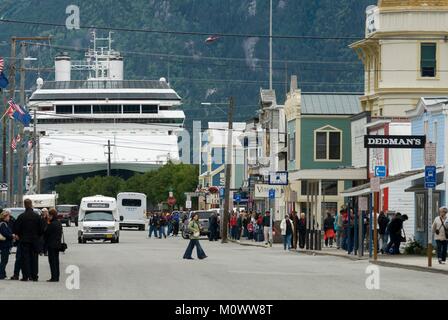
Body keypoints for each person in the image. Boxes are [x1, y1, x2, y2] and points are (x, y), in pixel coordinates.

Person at [13, 199, 46, 281]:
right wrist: (37, 236)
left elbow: (16, 229)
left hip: (24, 240)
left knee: (25, 258)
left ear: (24, 205)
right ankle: (34, 276)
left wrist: (20, 235)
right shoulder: (37, 217)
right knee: (34, 258)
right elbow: (42, 230)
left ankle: (25, 276)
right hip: (35, 240)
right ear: (31, 205)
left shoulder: (21, 217)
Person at [44, 208, 62, 282]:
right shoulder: (58, 223)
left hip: (51, 244)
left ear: (51, 215)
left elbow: (46, 233)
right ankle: (57, 276)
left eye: (49, 215)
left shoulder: (51, 224)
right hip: (57, 244)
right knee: (56, 260)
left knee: (52, 261)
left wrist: (47, 223)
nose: (48, 216)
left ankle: (53, 277)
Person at [0, 210, 14, 280]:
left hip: (4, 244)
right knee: (4, 260)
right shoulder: (3, 224)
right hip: (4, 244)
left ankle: (3, 273)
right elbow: (5, 233)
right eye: (8, 216)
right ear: (5, 217)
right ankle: (1, 274)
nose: (9, 218)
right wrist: (12, 236)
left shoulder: (4, 223)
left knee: (4, 260)